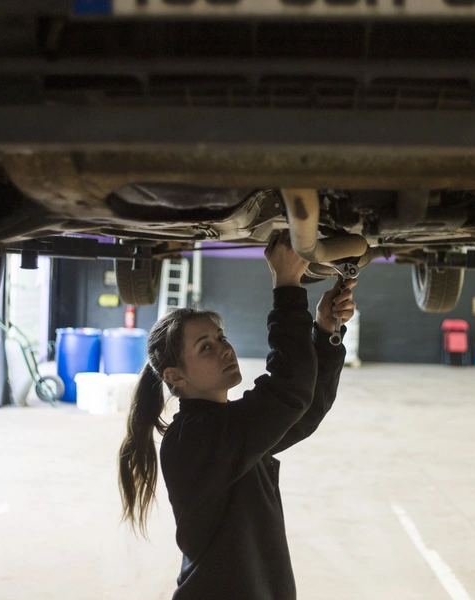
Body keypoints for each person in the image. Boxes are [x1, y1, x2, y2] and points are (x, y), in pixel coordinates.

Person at [118, 230, 358, 600]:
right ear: (175, 376)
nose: (224, 349)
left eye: (221, 337)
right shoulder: (195, 438)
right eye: (206, 347)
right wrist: (287, 287)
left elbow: (303, 411)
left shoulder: (223, 428)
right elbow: (288, 391)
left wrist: (326, 329)